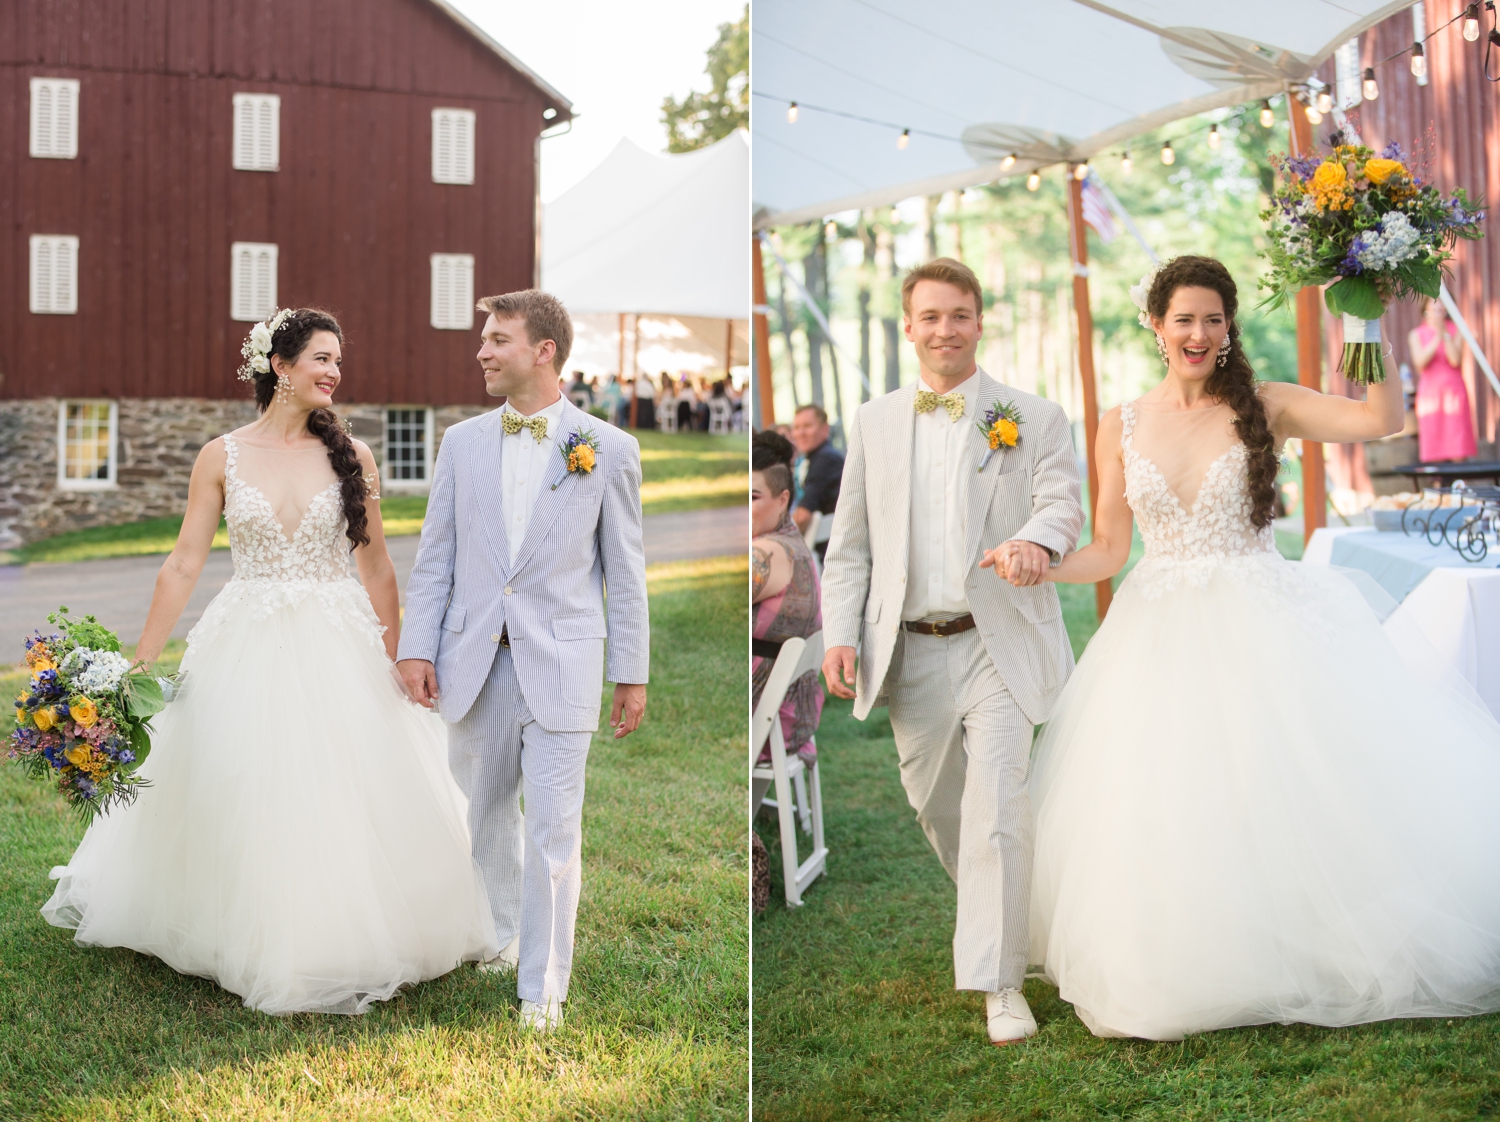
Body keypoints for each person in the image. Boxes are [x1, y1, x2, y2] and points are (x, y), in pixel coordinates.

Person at [1022, 255, 1500, 1041]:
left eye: (1213, 319)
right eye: (1184, 319)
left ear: (1229, 326)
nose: (1199, 334)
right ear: (1155, 325)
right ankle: (1184, 953)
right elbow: (1109, 549)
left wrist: (1365, 319)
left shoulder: (1267, 403)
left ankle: (1309, 939)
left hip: (1258, 613)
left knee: (1287, 780)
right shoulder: (1120, 424)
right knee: (1169, 794)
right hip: (1157, 629)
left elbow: (1380, 419)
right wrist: (1041, 565)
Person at [41, 309, 499, 1015]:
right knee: (241, 778)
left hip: (337, 640)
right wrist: (141, 663)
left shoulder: (357, 459)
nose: (333, 372)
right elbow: (184, 562)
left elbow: (378, 572)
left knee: (345, 785)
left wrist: (401, 659)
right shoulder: (219, 456)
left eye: (339, 362)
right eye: (320, 358)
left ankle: (339, 928)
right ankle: (233, 921)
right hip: (244, 638)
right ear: (279, 366)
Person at [819, 258, 1084, 1046]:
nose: (945, 329)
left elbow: (1061, 503)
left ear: (979, 321)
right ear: (909, 325)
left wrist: (1036, 540)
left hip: (997, 642)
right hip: (909, 650)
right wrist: (841, 630)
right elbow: (852, 547)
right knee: (937, 810)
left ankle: (1002, 984)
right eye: (930, 316)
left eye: (959, 315)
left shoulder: (1032, 415)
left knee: (997, 807)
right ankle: (1012, 923)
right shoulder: (872, 421)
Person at [397, 289, 649, 1033]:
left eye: (497, 338)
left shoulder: (609, 449)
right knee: (483, 813)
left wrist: (630, 672)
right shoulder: (462, 443)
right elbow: (435, 556)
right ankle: (501, 933)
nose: (482, 350)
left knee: (553, 829)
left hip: (563, 665)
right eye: (484, 337)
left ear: (543, 351)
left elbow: (625, 573)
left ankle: (542, 989)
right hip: (472, 662)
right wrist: (417, 648)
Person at [752, 429, 823, 770]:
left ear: (782, 500)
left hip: (766, 720)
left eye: (752, 497)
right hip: (792, 711)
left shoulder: (768, 552)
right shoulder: (789, 540)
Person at [1408, 297, 1476, 462]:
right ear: (1425, 307)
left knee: (1457, 440)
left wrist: (1444, 333)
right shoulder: (1416, 334)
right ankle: (1437, 482)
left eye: (1442, 302)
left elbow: (1455, 359)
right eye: (1434, 301)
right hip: (1430, 392)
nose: (1438, 305)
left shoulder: (1457, 329)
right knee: (1433, 442)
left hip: (1453, 391)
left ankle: (1460, 481)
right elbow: (1420, 362)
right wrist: (1436, 336)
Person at [789, 404, 845, 560]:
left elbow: (803, 516)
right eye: (796, 427)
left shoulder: (826, 459)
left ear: (825, 429)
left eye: (807, 426)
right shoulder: (815, 458)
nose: (801, 433)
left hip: (830, 552)